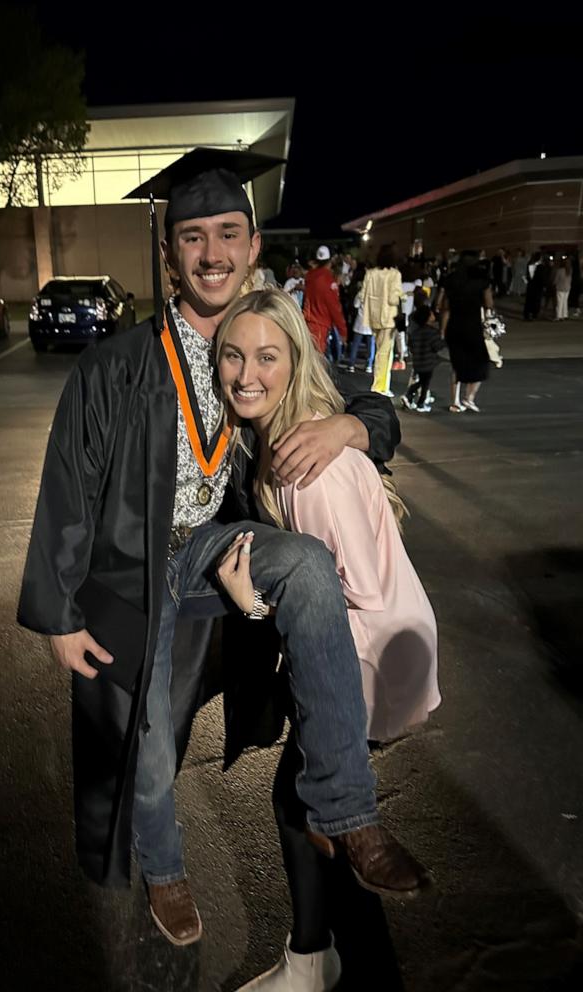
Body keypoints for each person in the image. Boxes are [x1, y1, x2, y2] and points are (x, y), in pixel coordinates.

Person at [17, 148, 418, 949]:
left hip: (212, 548)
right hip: (131, 573)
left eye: (227, 233)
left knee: (304, 566)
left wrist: (349, 426)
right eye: (192, 237)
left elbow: (367, 406)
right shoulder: (116, 366)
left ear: (253, 245)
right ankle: (164, 867)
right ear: (169, 255)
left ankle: (350, 813)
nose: (212, 254)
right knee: (151, 738)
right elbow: (67, 486)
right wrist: (57, 613)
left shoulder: (267, 344)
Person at [215, 288, 439, 991]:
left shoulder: (311, 466)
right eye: (233, 355)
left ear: (298, 360)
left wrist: (254, 606)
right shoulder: (278, 441)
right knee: (300, 799)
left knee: (306, 799)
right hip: (359, 653)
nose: (247, 373)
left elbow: (361, 602)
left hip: (368, 659)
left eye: (267, 356)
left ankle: (322, 961)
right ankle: (319, 954)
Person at [438, 249, 493, 413]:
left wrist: (442, 330)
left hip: (454, 327)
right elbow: (489, 303)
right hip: (473, 327)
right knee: (480, 363)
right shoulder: (481, 280)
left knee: (457, 365)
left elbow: (444, 307)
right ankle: (469, 398)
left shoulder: (452, 280)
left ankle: (455, 401)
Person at [361, 244, 404, 396]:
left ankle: (379, 384)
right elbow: (393, 298)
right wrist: (403, 296)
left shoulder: (370, 273)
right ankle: (380, 386)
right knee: (385, 352)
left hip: (373, 316)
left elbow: (363, 295)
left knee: (380, 349)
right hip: (388, 317)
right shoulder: (394, 274)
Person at [302, 246, 347, 356]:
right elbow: (334, 307)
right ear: (329, 261)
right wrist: (342, 330)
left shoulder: (309, 277)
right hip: (320, 324)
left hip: (307, 321)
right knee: (316, 360)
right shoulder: (328, 280)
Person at [401, 304, 446, 412]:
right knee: (424, 383)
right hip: (428, 362)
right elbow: (437, 346)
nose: (433, 315)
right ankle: (418, 402)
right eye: (431, 314)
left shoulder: (416, 333)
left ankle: (411, 398)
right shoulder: (432, 332)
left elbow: (411, 345)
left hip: (418, 361)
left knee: (422, 381)